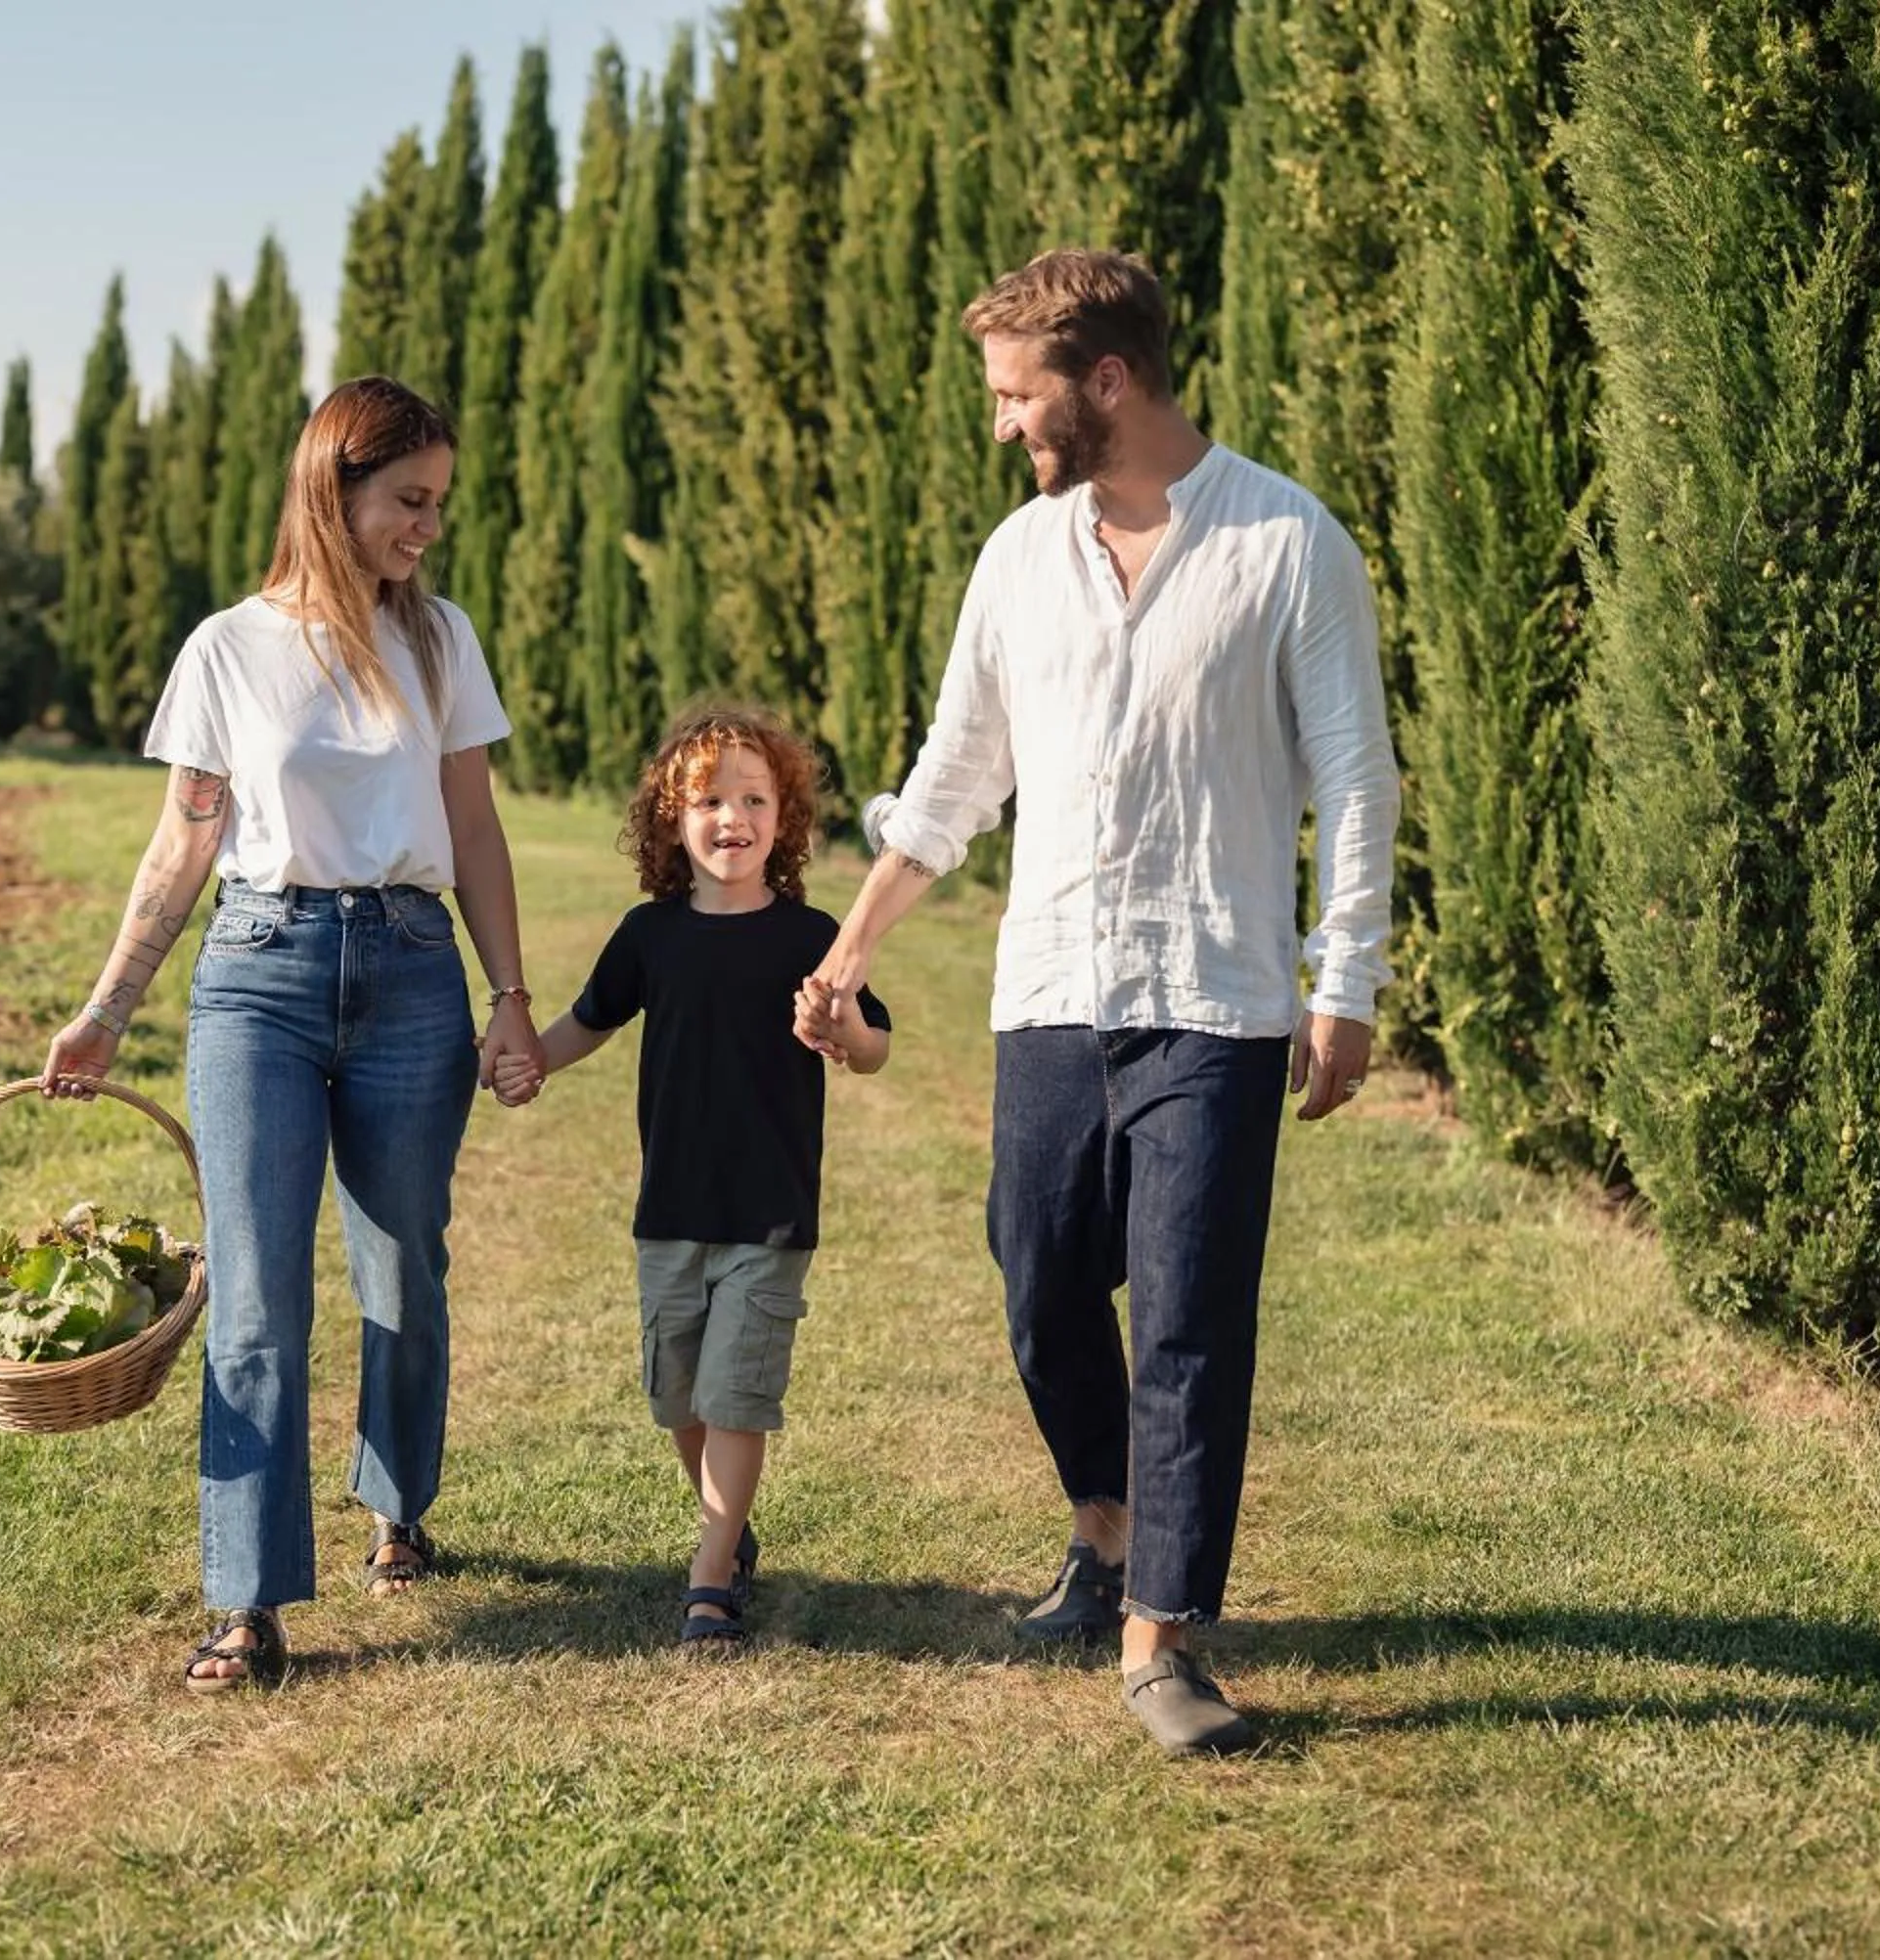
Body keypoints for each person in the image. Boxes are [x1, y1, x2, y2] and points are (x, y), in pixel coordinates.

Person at [798, 249, 1399, 1755]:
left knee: (1190, 1314)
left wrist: (1350, 983)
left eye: (1018, 397)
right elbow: (954, 780)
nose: (1003, 426)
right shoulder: (1019, 562)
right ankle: (1108, 1531)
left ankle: (1164, 1639)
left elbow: (1358, 781)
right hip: (1053, 985)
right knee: (1038, 1277)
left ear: (1108, 381)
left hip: (1219, 997)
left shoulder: (1287, 543)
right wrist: (853, 944)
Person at [40, 376, 545, 1693]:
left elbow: (475, 830)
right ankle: (248, 1604)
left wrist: (509, 998)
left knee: (402, 1268)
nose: (428, 526)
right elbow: (186, 837)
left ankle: (397, 1504)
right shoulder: (228, 649)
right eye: (408, 501)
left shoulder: (442, 643)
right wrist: (108, 1008)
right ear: (336, 490)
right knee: (256, 1296)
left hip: (412, 971)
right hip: (256, 975)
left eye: (439, 502)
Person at [490, 705, 890, 1658]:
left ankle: (711, 1575)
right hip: (669, 1211)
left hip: (770, 1214)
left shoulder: (813, 939)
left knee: (736, 1396)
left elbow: (872, 1047)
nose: (731, 817)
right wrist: (528, 1062)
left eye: (754, 798)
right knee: (680, 1397)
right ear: (672, 819)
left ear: (784, 819)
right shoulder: (648, 936)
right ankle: (730, 1526)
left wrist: (842, 1029)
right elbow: (589, 1020)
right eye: (709, 799)